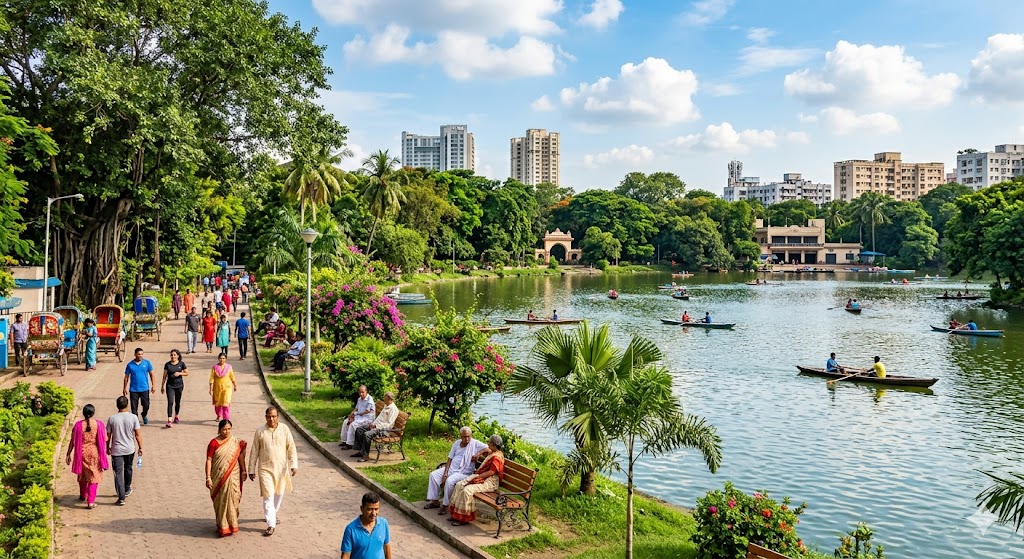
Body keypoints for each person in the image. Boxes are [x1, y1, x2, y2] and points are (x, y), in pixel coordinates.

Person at [248, 406, 298, 537]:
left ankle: (272, 514)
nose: (272, 419)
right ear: (265, 417)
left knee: (279, 493)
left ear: (278, 417)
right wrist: (251, 469)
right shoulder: (260, 431)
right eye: (269, 416)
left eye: (274, 416)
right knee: (268, 495)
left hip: (281, 468)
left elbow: (291, 447)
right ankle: (271, 524)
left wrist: (293, 465)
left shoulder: (284, 429)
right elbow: (254, 452)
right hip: (265, 468)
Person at [424, 427, 489, 515]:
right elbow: (450, 459)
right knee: (433, 475)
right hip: (452, 468)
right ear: (460, 436)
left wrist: (478, 453)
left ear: (471, 435)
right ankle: (435, 501)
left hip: (464, 472)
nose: (466, 439)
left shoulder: (475, 443)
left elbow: (489, 449)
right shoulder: (456, 444)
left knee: (450, 481)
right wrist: (445, 473)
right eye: (464, 437)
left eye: (468, 436)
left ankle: (445, 505)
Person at [447, 435, 506, 526]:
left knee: (467, 490)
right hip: (483, 478)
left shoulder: (497, 457)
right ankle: (456, 515)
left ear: (494, 445)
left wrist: (477, 477)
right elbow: (486, 450)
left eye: (489, 443)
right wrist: (479, 454)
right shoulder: (493, 452)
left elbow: (491, 472)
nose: (488, 444)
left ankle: (463, 518)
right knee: (459, 485)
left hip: (490, 483)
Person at [206, 419, 247, 537]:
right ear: (219, 430)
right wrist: (208, 477)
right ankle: (222, 526)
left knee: (233, 497)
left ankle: (232, 523)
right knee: (221, 500)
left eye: (229, 429)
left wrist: (243, 470)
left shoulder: (235, 442)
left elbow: (240, 456)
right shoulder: (213, 443)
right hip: (218, 476)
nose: (227, 431)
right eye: (224, 429)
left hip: (233, 475)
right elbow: (209, 460)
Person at [66, 404, 109, 509]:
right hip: (94, 453)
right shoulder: (98, 424)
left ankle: (82, 495)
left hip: (81, 453)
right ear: (93, 413)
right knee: (93, 477)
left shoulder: (78, 425)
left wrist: (68, 453)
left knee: (83, 475)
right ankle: (90, 501)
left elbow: (73, 441)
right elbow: (105, 439)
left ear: (83, 413)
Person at [107, 396, 143, 505]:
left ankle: (121, 497)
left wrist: (106, 447)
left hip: (116, 449)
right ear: (127, 405)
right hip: (129, 448)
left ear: (117, 405)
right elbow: (137, 434)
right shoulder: (133, 417)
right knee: (128, 468)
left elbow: (108, 436)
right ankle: (127, 488)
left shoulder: (112, 418)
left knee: (118, 472)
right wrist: (141, 447)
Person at [340, 492, 392, 559]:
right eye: (369, 509)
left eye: (376, 509)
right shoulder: (351, 529)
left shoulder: (383, 523)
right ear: (362, 509)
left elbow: (387, 546)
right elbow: (346, 555)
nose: (373, 513)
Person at [352, 393, 399, 462]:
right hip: (376, 426)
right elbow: (379, 418)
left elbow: (389, 425)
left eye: (385, 399)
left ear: (390, 399)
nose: (384, 400)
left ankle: (365, 456)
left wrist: (376, 426)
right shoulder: (386, 406)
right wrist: (373, 424)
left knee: (367, 434)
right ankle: (361, 451)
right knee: (359, 430)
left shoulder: (393, 409)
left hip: (384, 430)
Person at [123, 348, 155, 425]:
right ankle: (136, 421)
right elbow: (126, 377)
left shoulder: (147, 363)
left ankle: (144, 414)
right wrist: (124, 388)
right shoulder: (130, 365)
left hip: (144, 388)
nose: (140, 356)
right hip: (134, 389)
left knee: (146, 405)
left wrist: (153, 385)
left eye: (142, 354)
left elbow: (152, 375)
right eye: (139, 354)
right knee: (134, 408)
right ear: (135, 354)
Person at [340, 386, 375, 450]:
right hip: (359, 417)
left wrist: (354, 415)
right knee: (346, 422)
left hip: (367, 418)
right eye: (360, 392)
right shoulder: (359, 399)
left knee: (352, 424)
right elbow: (356, 408)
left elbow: (365, 412)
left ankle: (350, 444)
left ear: (366, 392)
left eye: (363, 392)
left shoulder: (370, 400)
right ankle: (344, 441)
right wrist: (351, 415)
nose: (361, 394)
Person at [161, 349, 189, 428]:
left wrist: (179, 373)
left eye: (174, 355)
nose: (173, 356)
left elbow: (187, 373)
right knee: (170, 402)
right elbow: (164, 376)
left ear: (178, 356)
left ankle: (176, 415)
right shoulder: (167, 364)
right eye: (172, 355)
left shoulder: (181, 364)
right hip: (170, 386)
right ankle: (169, 420)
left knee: (177, 402)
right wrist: (162, 386)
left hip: (179, 386)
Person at [210, 353, 238, 421]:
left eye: (223, 358)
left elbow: (232, 376)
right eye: (220, 358)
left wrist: (235, 385)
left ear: (225, 359)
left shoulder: (229, 367)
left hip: (227, 388)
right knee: (218, 404)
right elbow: (212, 378)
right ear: (218, 359)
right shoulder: (215, 367)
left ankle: (226, 419)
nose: (222, 360)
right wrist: (210, 389)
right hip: (217, 388)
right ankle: (218, 415)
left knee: (226, 403)